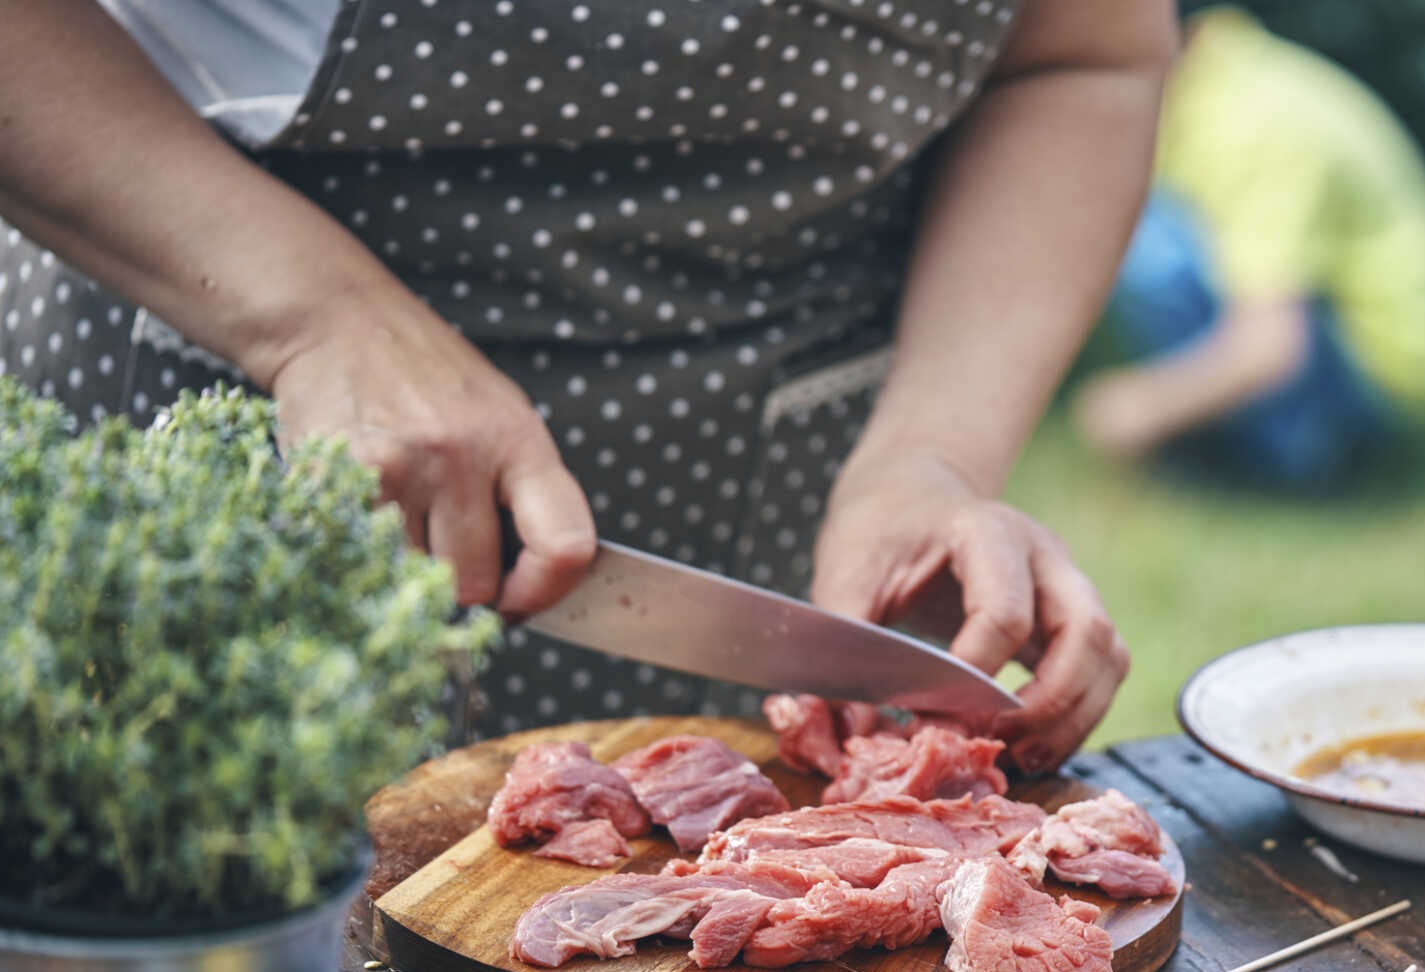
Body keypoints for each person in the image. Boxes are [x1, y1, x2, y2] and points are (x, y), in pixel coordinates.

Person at [0, 0, 1175, 771]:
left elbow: (1081, 55)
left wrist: (933, 454)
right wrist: (313, 319)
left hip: (768, 507)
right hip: (219, 418)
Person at [1073, 5, 1425, 489]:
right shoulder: (1219, 82)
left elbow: (1273, 347)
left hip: (1376, 378)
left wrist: (1140, 407)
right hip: (1347, 335)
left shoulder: (1254, 129)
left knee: (1146, 239)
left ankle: (1289, 455)